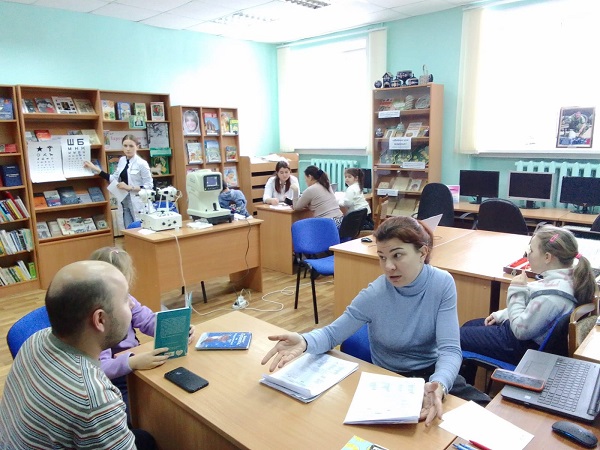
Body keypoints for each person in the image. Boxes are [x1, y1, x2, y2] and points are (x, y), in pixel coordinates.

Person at [261, 216, 489, 427]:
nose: (388, 266)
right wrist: (304, 341)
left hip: (432, 373)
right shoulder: (376, 293)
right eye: (382, 257)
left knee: (488, 417)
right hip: (390, 379)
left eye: (397, 255)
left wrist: (439, 384)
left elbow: (450, 349)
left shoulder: (441, 284)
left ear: (422, 252)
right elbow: (332, 334)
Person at [0, 260, 157, 449]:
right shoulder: (94, 400)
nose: (132, 304)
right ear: (100, 319)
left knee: (144, 439)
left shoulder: (35, 340)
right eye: (125, 300)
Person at [461, 225, 597, 366]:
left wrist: (516, 290)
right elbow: (532, 311)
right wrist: (502, 315)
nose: (527, 255)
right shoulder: (569, 278)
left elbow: (520, 330)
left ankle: (458, 379)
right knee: (469, 325)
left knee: (455, 339)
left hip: (521, 346)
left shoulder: (551, 297)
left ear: (547, 257)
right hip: (524, 334)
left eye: (530, 250)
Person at [89, 247, 195, 421]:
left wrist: (176, 327)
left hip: (136, 365)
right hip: (117, 379)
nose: (130, 304)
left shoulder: (127, 300)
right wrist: (133, 362)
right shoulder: (98, 318)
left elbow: (148, 320)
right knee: (143, 414)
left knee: (173, 391)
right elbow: (101, 368)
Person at [84, 134, 153, 230]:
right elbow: (113, 178)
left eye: (131, 146)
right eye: (125, 146)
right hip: (124, 199)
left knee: (139, 228)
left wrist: (129, 187)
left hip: (138, 201)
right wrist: (95, 168)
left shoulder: (142, 163)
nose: (128, 149)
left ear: (137, 147)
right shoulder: (122, 160)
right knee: (127, 229)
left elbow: (149, 186)